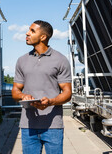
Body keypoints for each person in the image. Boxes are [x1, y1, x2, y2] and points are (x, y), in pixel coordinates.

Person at [12, 20, 72, 154]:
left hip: (53, 126)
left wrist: (51, 101)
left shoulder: (60, 60)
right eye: (28, 30)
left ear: (43, 37)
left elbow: (67, 93)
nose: (27, 33)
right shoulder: (21, 60)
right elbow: (15, 91)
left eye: (32, 31)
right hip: (28, 126)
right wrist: (23, 96)